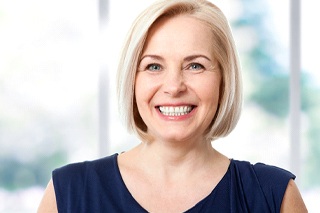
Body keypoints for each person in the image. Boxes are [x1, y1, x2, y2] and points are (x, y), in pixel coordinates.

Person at [38, 0, 307, 212]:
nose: (174, 86)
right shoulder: (69, 192)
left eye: (195, 65)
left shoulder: (274, 196)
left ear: (224, 80)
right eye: (153, 66)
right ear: (132, 80)